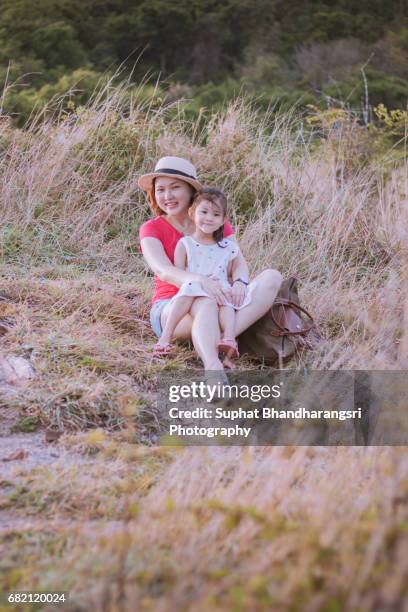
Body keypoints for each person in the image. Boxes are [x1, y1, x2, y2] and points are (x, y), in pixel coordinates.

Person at [138, 156, 283, 372]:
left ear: (190, 192)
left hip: (221, 299)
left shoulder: (216, 222)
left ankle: (222, 337)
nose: (167, 196)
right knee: (205, 302)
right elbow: (164, 271)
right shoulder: (152, 228)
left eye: (175, 188)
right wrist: (201, 281)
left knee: (272, 277)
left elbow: (237, 262)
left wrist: (241, 282)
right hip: (174, 306)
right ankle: (213, 365)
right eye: (160, 189)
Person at [153, 186, 257, 368]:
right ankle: (165, 336)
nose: (209, 218)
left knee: (226, 302)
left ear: (223, 221)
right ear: (192, 212)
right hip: (195, 289)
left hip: (219, 288)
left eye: (216, 215)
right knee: (187, 292)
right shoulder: (185, 244)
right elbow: (181, 273)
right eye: (204, 212)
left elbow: (235, 268)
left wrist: (237, 284)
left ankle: (229, 338)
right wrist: (200, 283)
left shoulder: (227, 247)